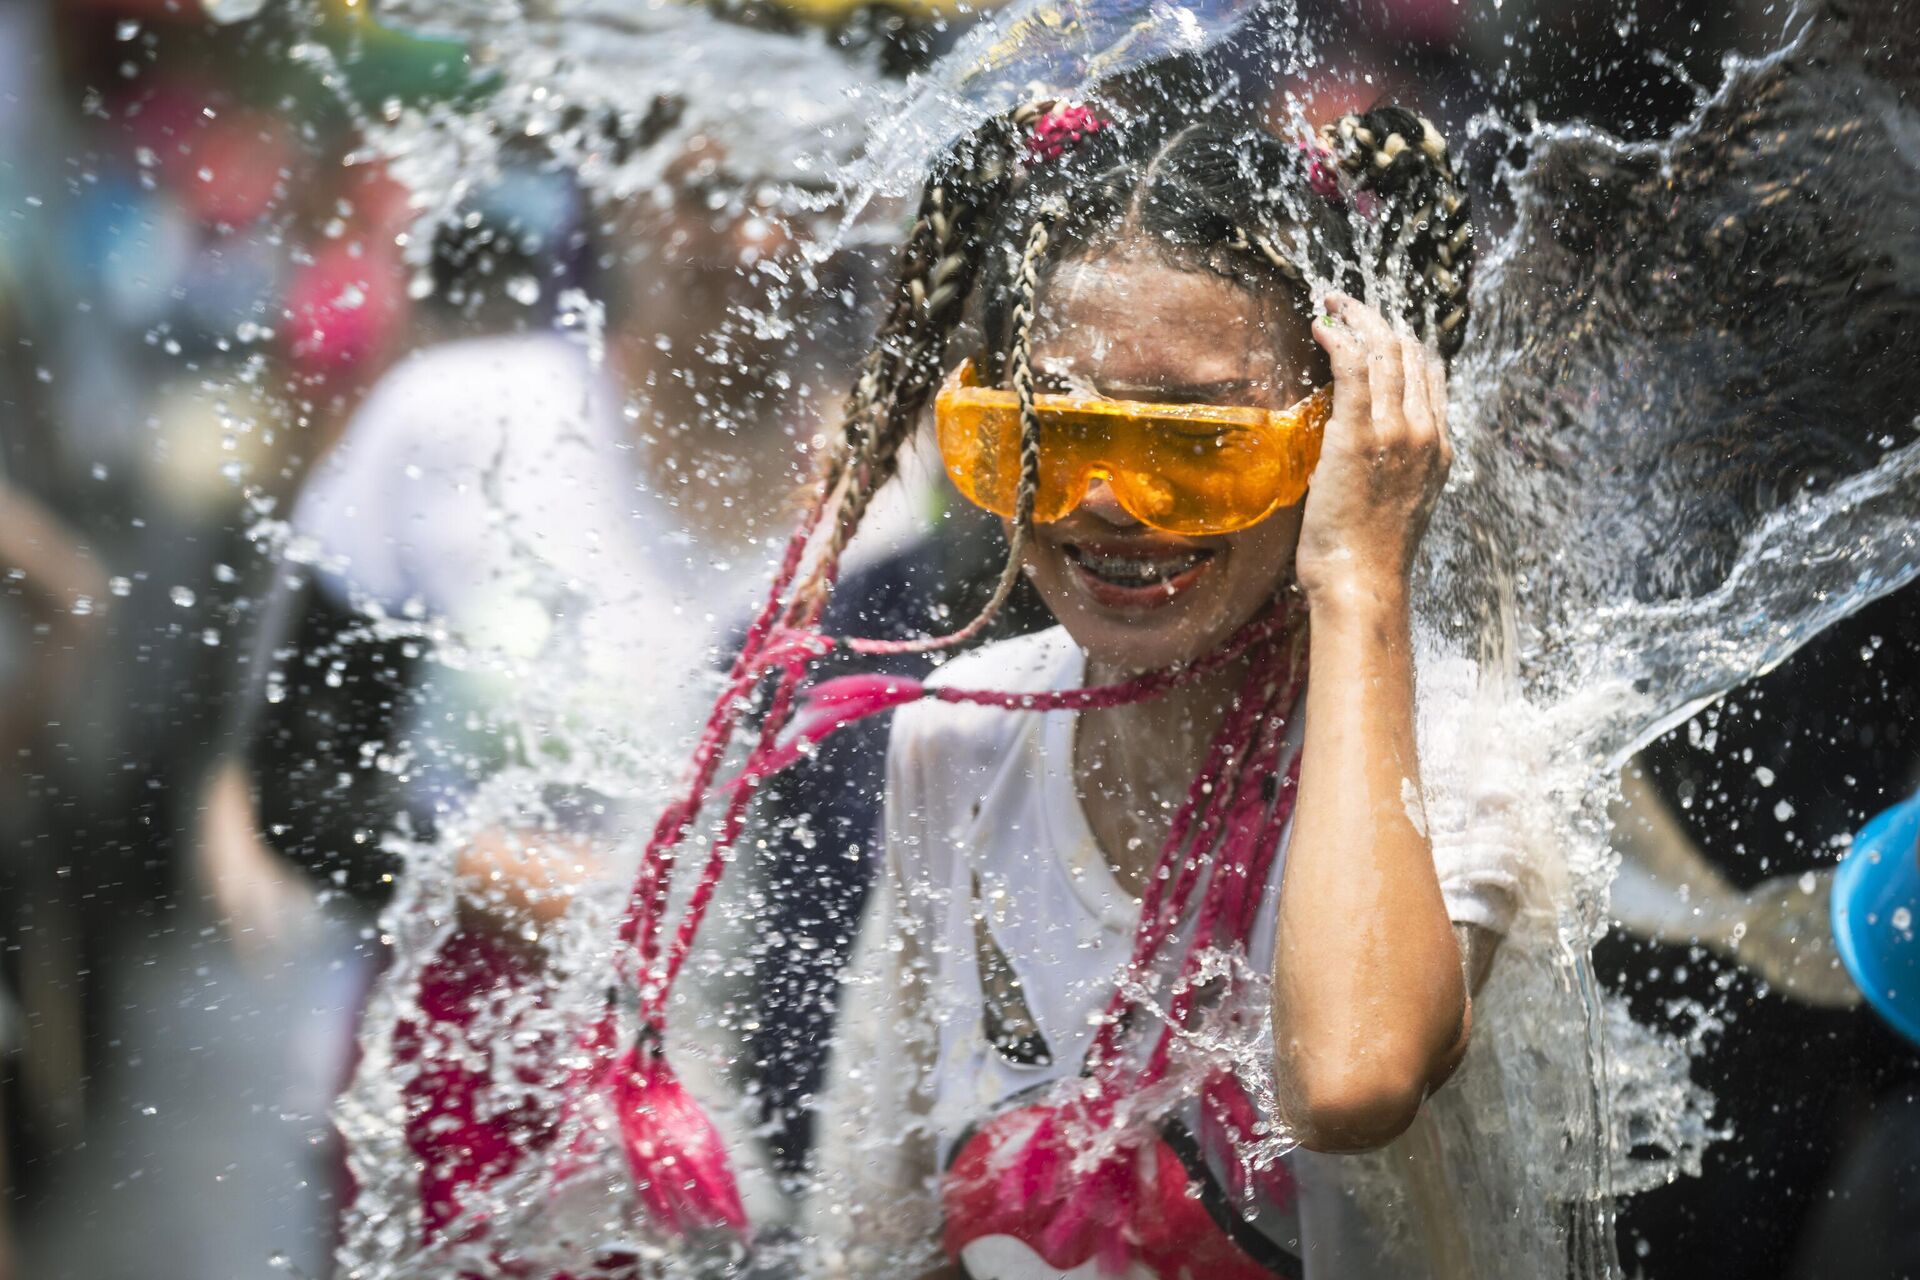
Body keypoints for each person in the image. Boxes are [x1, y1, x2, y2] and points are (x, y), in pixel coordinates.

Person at [611, 79, 1521, 1276]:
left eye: (1195, 444)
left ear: (1344, 440)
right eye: (1049, 432)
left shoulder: (1451, 748)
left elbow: (1349, 1081)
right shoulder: (955, 740)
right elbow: (875, 1222)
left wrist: (1359, 573)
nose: (1106, 501)